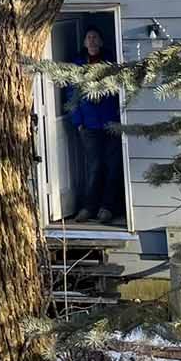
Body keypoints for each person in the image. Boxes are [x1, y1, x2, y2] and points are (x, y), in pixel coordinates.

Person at [60, 27, 125, 225]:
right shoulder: (77, 65)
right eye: (89, 38)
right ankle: (89, 207)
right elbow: (71, 95)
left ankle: (107, 208)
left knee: (112, 166)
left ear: (101, 42)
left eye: (95, 37)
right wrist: (78, 122)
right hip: (88, 125)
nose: (92, 41)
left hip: (111, 123)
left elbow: (119, 91)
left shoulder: (112, 64)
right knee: (94, 167)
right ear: (84, 43)